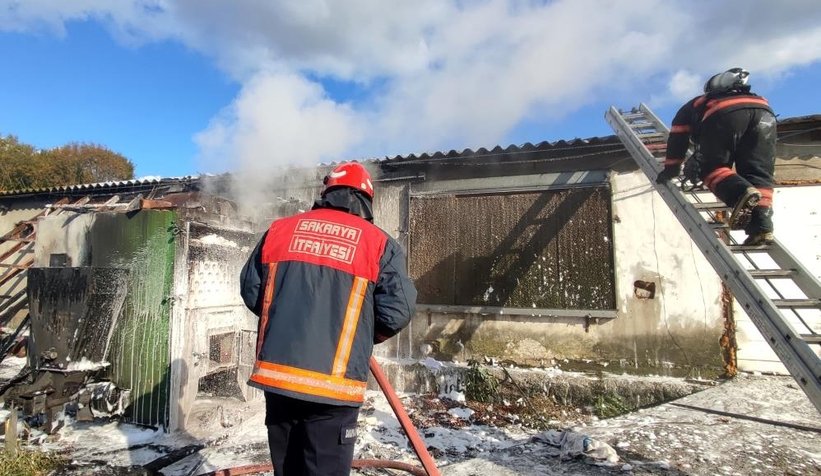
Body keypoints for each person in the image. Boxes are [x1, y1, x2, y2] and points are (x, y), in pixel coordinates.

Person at [239, 162, 417, 475]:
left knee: (288, 470)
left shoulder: (279, 231)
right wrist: (359, 336)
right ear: (364, 199)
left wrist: (287, 318)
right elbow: (397, 310)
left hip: (278, 381)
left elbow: (252, 289)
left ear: (327, 193)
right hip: (334, 390)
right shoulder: (378, 243)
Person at [656, 68, 777, 245]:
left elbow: (678, 137)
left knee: (711, 169)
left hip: (725, 115)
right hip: (766, 114)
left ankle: (740, 193)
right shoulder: (754, 97)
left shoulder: (698, 103)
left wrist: (671, 169)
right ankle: (762, 229)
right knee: (758, 176)